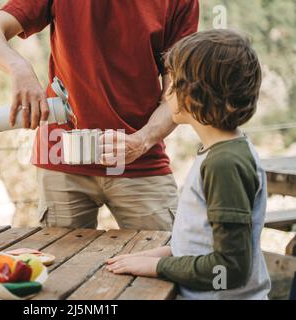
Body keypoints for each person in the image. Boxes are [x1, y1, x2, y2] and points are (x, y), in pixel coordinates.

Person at [0, 1, 199, 230]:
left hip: (140, 159)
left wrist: (140, 142)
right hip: (61, 157)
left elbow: (177, 94)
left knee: (163, 258)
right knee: (60, 262)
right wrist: (19, 68)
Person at [106, 29, 271, 299]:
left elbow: (230, 269)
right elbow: (202, 240)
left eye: (174, 83)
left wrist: (159, 266)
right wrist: (154, 255)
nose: (166, 91)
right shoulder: (218, 152)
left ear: (196, 93)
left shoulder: (225, 164)